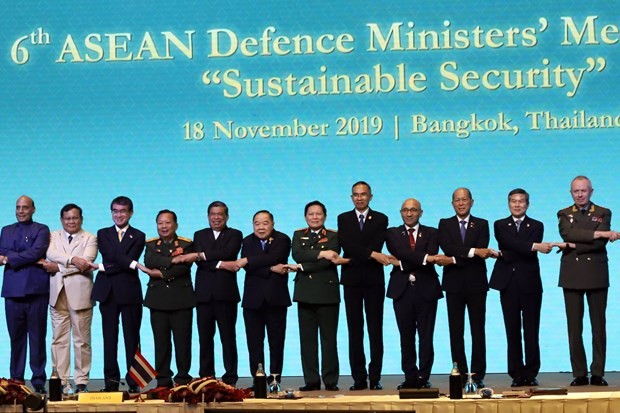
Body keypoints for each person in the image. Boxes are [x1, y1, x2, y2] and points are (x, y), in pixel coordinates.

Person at [556, 176, 620, 386]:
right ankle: (580, 373)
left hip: (596, 272)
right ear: (571, 193)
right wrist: (600, 233)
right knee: (574, 327)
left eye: (584, 191)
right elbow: (568, 234)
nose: (580, 195)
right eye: (576, 191)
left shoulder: (603, 212)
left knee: (598, 325)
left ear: (592, 191)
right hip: (572, 274)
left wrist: (573, 245)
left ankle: (598, 372)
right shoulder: (564, 213)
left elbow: (598, 245)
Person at [489, 189, 553, 387]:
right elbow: (507, 243)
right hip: (508, 283)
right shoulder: (500, 224)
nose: (517, 205)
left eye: (521, 201)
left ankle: (531, 372)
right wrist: (535, 246)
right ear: (508, 204)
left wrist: (510, 251)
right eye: (513, 201)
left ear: (528, 204)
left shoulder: (536, 225)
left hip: (530, 283)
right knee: (512, 329)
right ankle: (516, 373)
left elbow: (512, 249)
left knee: (532, 329)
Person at [436, 188, 495, 388]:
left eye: (464, 200)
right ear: (452, 203)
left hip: (476, 284)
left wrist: (453, 259)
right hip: (453, 285)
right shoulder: (445, 224)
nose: (461, 203)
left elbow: (482, 249)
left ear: (472, 202)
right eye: (457, 200)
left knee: (478, 330)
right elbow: (448, 248)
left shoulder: (482, 224)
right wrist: (472, 252)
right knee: (456, 330)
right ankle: (459, 373)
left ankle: (477, 375)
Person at [290, 200, 348, 392]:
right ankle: (311, 381)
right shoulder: (299, 235)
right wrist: (322, 254)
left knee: (328, 339)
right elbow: (298, 254)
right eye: (310, 214)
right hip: (305, 292)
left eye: (318, 214)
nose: (314, 217)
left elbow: (330, 260)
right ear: (305, 217)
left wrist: (303, 266)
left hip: (327, 292)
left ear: (324, 216)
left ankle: (330, 380)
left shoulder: (333, 235)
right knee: (307, 340)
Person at [386, 198, 443, 390]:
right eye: (405, 210)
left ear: (421, 212)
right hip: (402, 291)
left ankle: (423, 376)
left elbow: (429, 254)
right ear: (401, 212)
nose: (409, 214)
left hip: (426, 290)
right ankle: (410, 376)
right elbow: (400, 251)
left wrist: (401, 263)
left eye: (413, 210)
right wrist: (426, 258)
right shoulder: (392, 233)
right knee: (406, 337)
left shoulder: (433, 232)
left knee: (426, 336)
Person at [337, 181, 390, 391]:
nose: (359, 198)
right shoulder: (344, 218)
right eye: (356, 195)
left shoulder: (381, 218)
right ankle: (359, 378)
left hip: (373, 280)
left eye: (363, 194)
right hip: (351, 280)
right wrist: (371, 254)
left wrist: (366, 253)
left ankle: (375, 377)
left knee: (375, 329)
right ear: (351, 198)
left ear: (370, 196)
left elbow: (376, 244)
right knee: (354, 330)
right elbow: (346, 245)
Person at [90, 196, 146, 392]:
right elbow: (117, 257)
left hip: (130, 293)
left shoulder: (139, 235)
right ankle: (111, 384)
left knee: (132, 339)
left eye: (123, 211)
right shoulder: (103, 233)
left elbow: (121, 258)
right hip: (108, 293)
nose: (119, 215)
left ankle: (134, 384)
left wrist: (102, 266)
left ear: (130, 213)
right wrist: (129, 264)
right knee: (109, 339)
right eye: (115, 211)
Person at [41, 204, 97, 393]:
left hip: (81, 295)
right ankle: (61, 381)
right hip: (57, 295)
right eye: (67, 218)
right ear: (61, 219)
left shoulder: (90, 237)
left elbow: (87, 262)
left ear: (81, 219)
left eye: (74, 218)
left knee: (82, 340)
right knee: (59, 340)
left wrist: (58, 267)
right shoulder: (53, 236)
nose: (71, 221)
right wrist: (74, 259)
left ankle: (81, 381)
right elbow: (50, 254)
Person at [235, 210, 292, 389]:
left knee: (276, 341)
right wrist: (270, 269)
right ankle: (258, 379)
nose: (261, 227)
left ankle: (275, 379)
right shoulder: (247, 241)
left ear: (272, 224)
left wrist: (248, 260)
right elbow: (249, 269)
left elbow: (274, 257)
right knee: (254, 342)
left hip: (276, 298)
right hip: (253, 300)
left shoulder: (282, 239)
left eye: (265, 223)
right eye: (257, 223)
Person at [0, 196, 51, 393]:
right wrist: (23, 255)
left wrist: (9, 257)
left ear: (33, 209)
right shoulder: (6, 230)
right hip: (12, 293)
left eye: (25, 208)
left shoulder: (41, 229)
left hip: (36, 291)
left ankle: (38, 381)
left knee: (38, 337)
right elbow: (3, 254)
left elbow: (36, 252)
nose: (21, 211)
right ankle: (16, 381)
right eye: (18, 207)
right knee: (16, 339)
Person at [141, 210, 196, 388]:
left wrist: (162, 273)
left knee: (182, 342)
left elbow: (184, 267)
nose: (163, 227)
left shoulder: (186, 244)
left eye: (167, 223)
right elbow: (149, 261)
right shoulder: (150, 244)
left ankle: (182, 380)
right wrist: (172, 261)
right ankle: (163, 381)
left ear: (176, 225)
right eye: (160, 223)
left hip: (181, 299)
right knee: (161, 343)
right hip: (158, 300)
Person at [193, 201, 243, 385]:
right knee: (205, 338)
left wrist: (204, 256)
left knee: (228, 337)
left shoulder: (235, 234)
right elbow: (198, 260)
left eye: (220, 214)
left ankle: (230, 377)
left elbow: (229, 252)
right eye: (213, 214)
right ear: (208, 216)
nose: (216, 217)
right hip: (204, 296)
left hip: (226, 295)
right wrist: (222, 264)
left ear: (226, 216)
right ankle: (206, 377)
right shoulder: (199, 235)